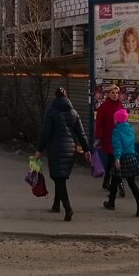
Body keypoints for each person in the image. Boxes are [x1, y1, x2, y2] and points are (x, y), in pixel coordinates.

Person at [34, 86, 91, 222]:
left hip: (56, 148)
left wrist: (39, 150)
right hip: (70, 149)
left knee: (59, 179)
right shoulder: (74, 113)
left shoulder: (51, 112)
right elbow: (81, 133)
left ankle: (68, 208)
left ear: (55, 97)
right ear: (67, 97)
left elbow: (46, 133)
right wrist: (87, 150)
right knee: (60, 177)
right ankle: (56, 204)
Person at [103, 108, 139, 216]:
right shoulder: (130, 129)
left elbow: (117, 146)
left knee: (114, 181)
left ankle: (111, 203)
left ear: (116, 120)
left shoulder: (116, 131)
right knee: (132, 183)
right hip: (131, 157)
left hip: (121, 158)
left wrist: (116, 158)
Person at [93, 84, 126, 198]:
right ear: (108, 94)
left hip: (119, 137)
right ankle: (119, 184)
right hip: (108, 138)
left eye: (116, 93)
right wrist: (99, 137)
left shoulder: (120, 105)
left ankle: (106, 181)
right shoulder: (104, 107)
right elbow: (99, 123)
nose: (115, 95)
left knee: (112, 161)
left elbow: (124, 120)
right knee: (114, 160)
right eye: (113, 93)